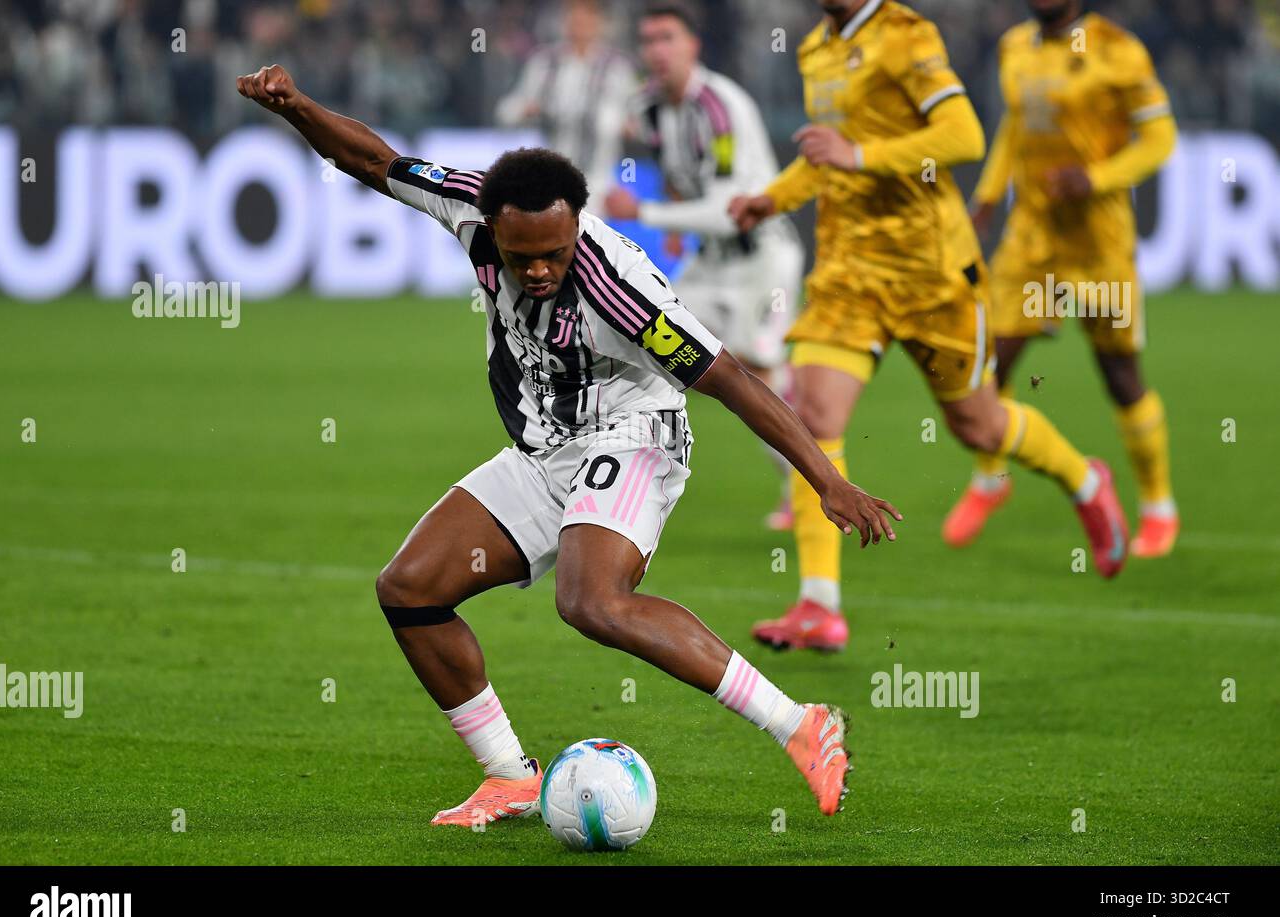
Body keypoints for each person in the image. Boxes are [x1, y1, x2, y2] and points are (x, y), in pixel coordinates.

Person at [236, 62, 903, 825]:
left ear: (576, 225)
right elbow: (371, 159)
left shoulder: (620, 289)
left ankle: (800, 724)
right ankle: (510, 777)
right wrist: (295, 107)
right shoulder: (467, 205)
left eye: (556, 250)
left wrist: (823, 478)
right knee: (410, 589)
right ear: (493, 228)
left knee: (590, 601)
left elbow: (732, 379)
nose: (542, 269)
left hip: (638, 429)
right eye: (524, 258)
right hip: (545, 447)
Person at [729, 0, 1128, 653]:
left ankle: (1085, 479)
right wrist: (774, 198)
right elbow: (828, 154)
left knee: (980, 424)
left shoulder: (906, 36)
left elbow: (964, 135)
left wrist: (861, 154)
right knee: (814, 412)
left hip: (932, 272)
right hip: (850, 271)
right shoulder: (814, 49)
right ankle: (818, 604)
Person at [943, 0, 1180, 558]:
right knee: (991, 363)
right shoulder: (1013, 46)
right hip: (1034, 239)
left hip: (1099, 243)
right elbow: (1015, 125)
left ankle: (1158, 507)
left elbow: (1160, 138)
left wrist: (1097, 177)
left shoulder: (1116, 50)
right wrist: (987, 194)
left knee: (1120, 375)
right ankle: (989, 480)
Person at [606, 4, 807, 528]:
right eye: (648, 40)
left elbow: (729, 206)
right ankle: (613, 480)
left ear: (693, 46)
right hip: (709, 262)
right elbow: (680, 177)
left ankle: (807, 485)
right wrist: (678, 219)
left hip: (760, 258)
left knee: (758, 371)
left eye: (668, 38)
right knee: (643, 343)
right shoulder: (648, 109)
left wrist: (647, 213)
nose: (657, 50)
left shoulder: (720, 106)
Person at [495, 0, 637, 217]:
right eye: (574, 17)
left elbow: (637, 120)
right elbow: (506, 112)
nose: (580, 25)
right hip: (547, 177)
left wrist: (627, 126)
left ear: (599, 22)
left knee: (586, 241)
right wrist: (525, 109)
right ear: (563, 21)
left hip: (597, 180)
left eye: (587, 18)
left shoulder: (617, 68)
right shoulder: (545, 62)